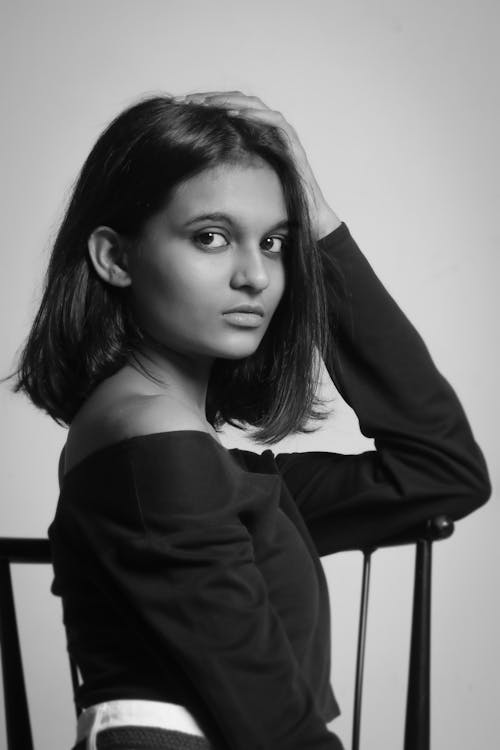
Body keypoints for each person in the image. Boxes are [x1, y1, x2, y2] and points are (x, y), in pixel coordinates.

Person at [11, 90, 491, 750]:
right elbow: (279, 736)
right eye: (210, 237)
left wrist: (318, 224)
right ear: (115, 258)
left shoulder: (196, 466)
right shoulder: (154, 458)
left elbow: (442, 473)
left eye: (273, 243)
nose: (256, 276)